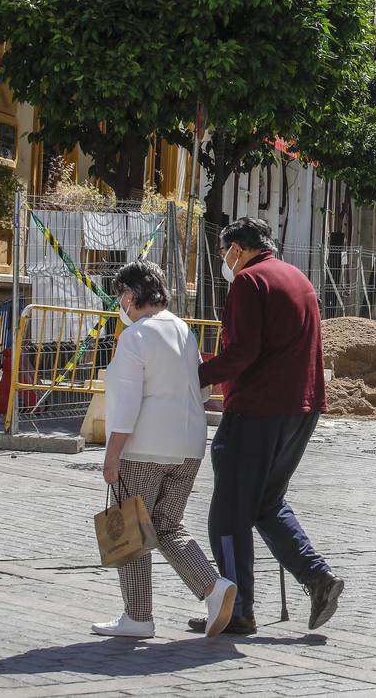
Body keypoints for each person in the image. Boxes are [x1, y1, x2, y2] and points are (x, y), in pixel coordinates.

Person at [195, 217, 342, 636]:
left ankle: (237, 608)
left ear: (237, 248)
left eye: (226, 251)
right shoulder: (298, 277)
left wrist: (196, 374)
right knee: (264, 504)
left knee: (227, 514)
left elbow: (242, 352)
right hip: (302, 407)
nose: (225, 260)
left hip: (259, 411)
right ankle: (318, 579)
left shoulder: (249, 282)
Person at [93, 260, 237, 639]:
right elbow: (201, 387)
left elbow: (125, 403)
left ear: (129, 295)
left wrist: (112, 455)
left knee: (130, 525)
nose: (121, 304)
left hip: (143, 448)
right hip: (188, 445)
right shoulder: (182, 329)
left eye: (121, 296)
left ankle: (138, 617)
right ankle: (213, 586)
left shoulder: (136, 337)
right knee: (166, 525)